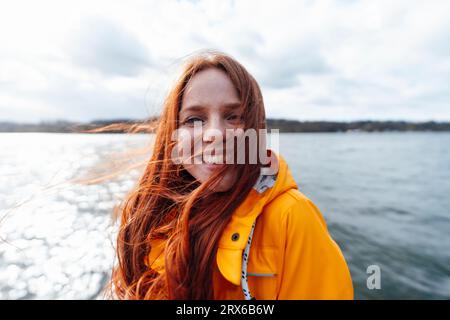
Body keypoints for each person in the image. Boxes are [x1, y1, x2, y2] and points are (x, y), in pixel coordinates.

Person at [110, 50, 353, 300]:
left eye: (233, 117)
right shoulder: (151, 216)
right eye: (194, 119)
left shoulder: (292, 218)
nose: (214, 134)